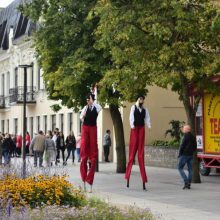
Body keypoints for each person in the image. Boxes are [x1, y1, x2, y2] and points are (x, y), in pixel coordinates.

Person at [125, 95, 151, 190]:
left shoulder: (145, 109)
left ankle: (144, 179)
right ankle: (127, 177)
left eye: (143, 99)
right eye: (140, 99)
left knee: (141, 155)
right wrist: (132, 126)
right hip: (135, 129)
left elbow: (147, 118)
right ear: (137, 100)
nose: (142, 100)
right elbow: (131, 117)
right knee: (132, 154)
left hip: (141, 129)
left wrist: (149, 125)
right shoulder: (133, 107)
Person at [80, 93, 102, 192]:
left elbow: (99, 107)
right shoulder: (85, 108)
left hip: (93, 129)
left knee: (93, 157)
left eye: (89, 99)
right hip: (85, 129)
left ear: (92, 100)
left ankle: (90, 181)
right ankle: (84, 179)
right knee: (84, 156)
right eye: (87, 100)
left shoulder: (97, 107)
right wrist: (83, 116)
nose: (87, 101)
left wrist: (93, 101)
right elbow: (81, 117)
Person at [178, 125, 197, 189]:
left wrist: (180, 154)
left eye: (184, 128)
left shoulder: (185, 136)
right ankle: (189, 183)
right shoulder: (193, 137)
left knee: (179, 168)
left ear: (187, 129)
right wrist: (191, 151)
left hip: (184, 155)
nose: (183, 129)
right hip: (190, 155)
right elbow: (195, 146)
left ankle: (186, 181)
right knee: (190, 170)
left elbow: (182, 145)